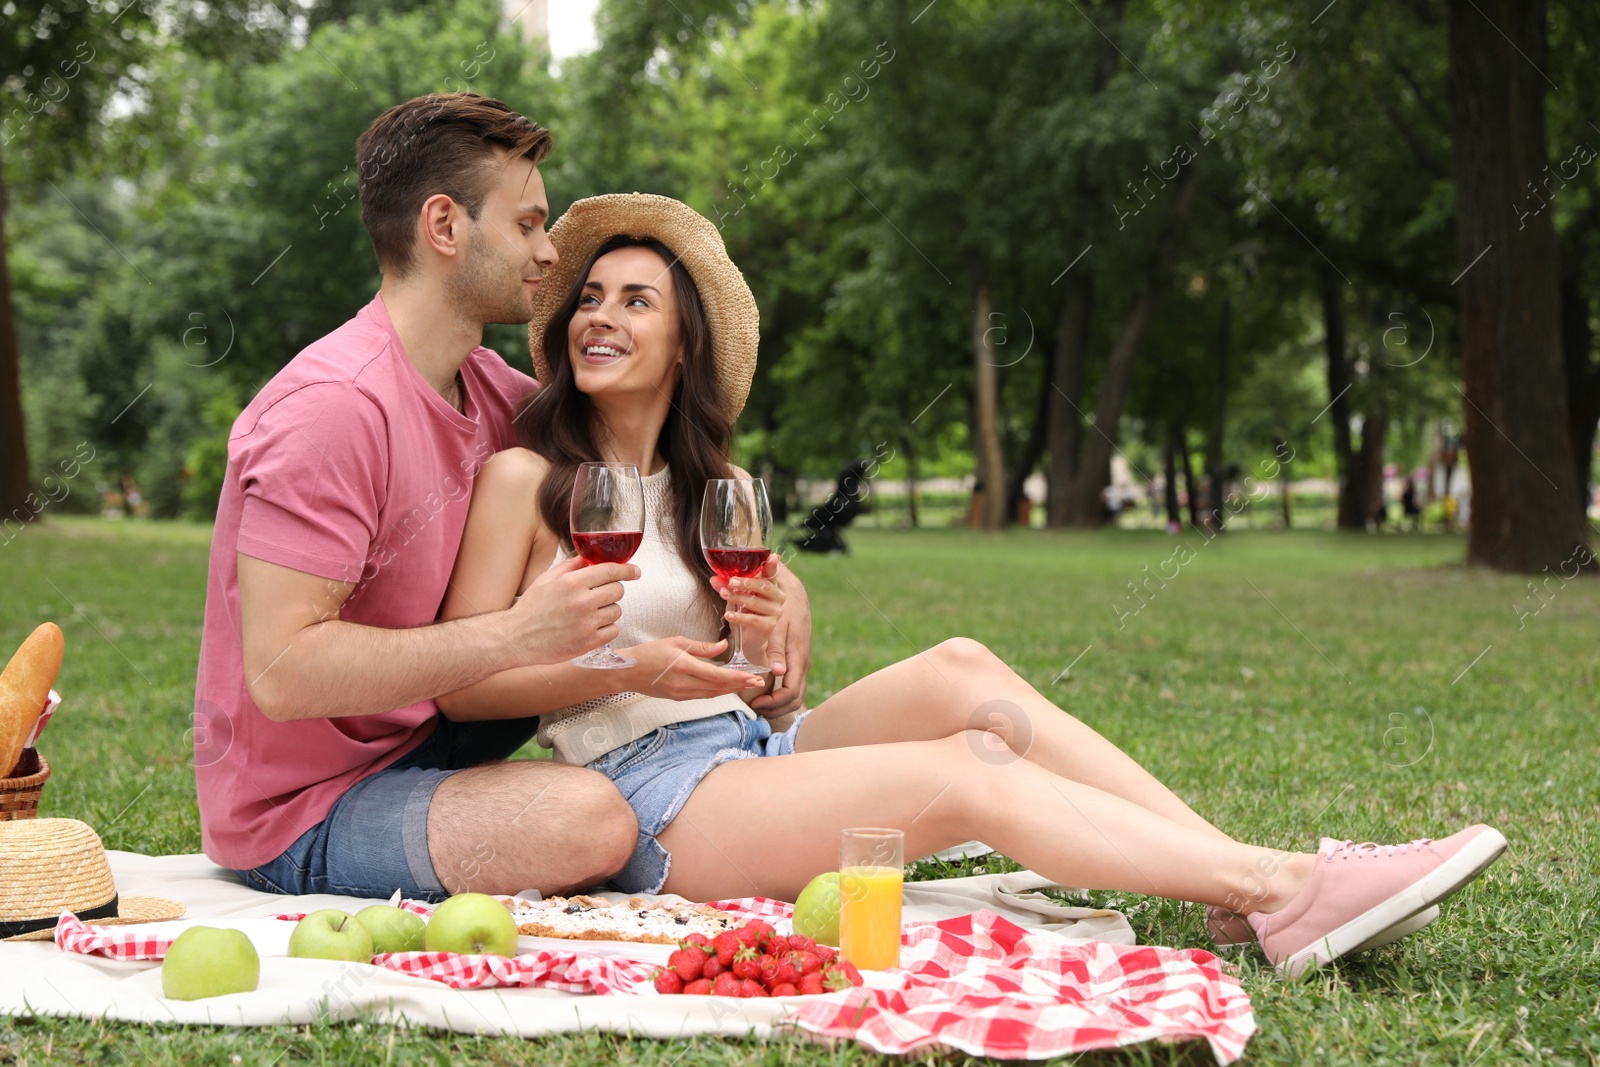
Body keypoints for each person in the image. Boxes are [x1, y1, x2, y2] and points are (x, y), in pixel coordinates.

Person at [438, 193, 1506, 978]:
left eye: (636, 300)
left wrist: (772, 643)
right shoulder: (526, 480)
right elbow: (461, 686)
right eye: (588, 299)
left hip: (750, 746)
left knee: (964, 671)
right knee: (971, 767)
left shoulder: (710, 485)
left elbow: (754, 663)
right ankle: (1275, 890)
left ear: (682, 345)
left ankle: (1235, 870)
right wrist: (624, 669)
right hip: (657, 796)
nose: (600, 316)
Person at [191, 95, 813, 904]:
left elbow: (654, 464)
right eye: (527, 224)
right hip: (306, 809)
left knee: (591, 815)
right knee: (587, 820)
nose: (550, 252)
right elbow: (282, 670)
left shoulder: (494, 395)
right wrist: (515, 634)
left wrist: (781, 585)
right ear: (445, 227)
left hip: (434, 760)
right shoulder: (329, 408)